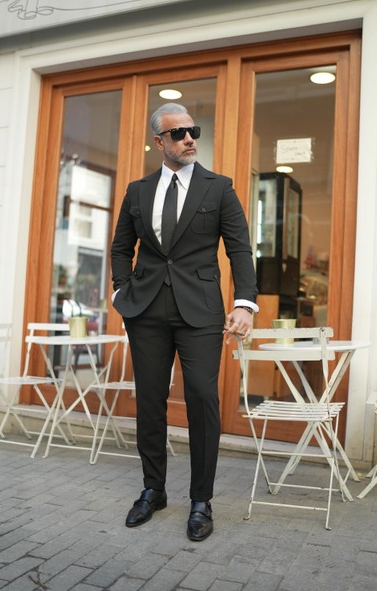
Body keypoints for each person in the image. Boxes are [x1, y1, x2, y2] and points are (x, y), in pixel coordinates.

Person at [111, 103, 258, 541]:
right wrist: (121, 291)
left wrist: (244, 304)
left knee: (201, 399)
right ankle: (153, 490)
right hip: (146, 311)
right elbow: (121, 247)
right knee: (150, 400)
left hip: (200, 312)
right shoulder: (138, 191)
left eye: (193, 131)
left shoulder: (219, 187)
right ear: (160, 141)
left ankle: (201, 500)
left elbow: (239, 248)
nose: (190, 138)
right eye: (179, 133)